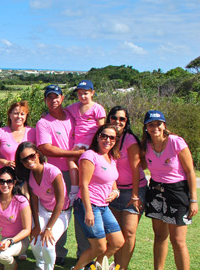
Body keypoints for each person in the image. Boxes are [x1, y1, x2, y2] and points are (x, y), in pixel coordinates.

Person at [141, 110, 197, 270]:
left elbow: (190, 171)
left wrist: (193, 199)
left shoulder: (175, 141)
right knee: (159, 237)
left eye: (158, 124)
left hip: (178, 192)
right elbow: (140, 164)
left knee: (178, 241)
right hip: (155, 192)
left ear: (164, 125)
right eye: (150, 125)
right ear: (146, 127)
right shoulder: (146, 145)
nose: (155, 127)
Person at [35, 84, 86, 263]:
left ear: (62, 98)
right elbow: (45, 148)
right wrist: (73, 154)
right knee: (59, 211)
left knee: (82, 212)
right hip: (58, 173)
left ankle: (84, 255)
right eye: (49, 97)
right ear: (45, 100)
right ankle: (58, 253)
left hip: (82, 170)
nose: (53, 100)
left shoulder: (72, 116)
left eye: (56, 96)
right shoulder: (44, 122)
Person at [72, 125, 125, 270]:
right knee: (99, 247)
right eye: (104, 136)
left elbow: (111, 178)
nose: (107, 140)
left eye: (112, 137)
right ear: (98, 137)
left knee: (118, 242)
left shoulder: (111, 157)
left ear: (115, 140)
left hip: (103, 206)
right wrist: (88, 211)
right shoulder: (90, 155)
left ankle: (94, 268)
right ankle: (77, 269)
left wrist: (115, 191)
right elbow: (83, 184)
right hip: (87, 204)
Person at [15, 142, 70, 270]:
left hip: (61, 212)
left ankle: (49, 268)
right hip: (43, 210)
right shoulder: (29, 174)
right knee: (35, 242)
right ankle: (40, 266)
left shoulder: (53, 172)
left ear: (38, 154)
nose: (29, 161)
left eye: (32, 156)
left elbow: (60, 202)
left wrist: (48, 228)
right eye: (24, 159)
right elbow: (34, 201)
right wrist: (37, 226)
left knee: (47, 244)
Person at [107, 106, 147, 270]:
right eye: (114, 118)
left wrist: (135, 196)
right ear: (109, 119)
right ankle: (116, 265)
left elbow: (137, 170)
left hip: (134, 190)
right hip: (116, 191)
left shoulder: (130, 140)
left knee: (129, 232)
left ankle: (122, 267)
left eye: (122, 119)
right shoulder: (107, 138)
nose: (117, 121)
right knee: (117, 234)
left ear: (126, 122)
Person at [65, 80, 106, 208]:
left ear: (92, 93)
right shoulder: (75, 107)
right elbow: (63, 111)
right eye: (80, 93)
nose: (83, 96)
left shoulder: (97, 108)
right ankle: (75, 189)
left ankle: (82, 190)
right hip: (78, 142)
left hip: (91, 142)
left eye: (86, 93)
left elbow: (102, 128)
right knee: (71, 160)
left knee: (86, 166)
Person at [0, 100, 36, 171]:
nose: (19, 116)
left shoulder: (32, 132)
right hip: (6, 176)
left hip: (28, 175)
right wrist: (5, 162)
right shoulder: (1, 132)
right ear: (10, 115)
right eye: (16, 113)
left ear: (26, 116)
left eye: (22, 114)